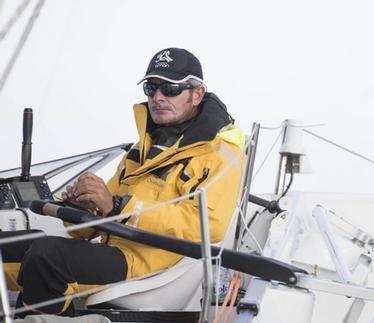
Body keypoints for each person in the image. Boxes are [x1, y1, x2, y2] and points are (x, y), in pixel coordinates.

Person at [1, 47, 245, 315]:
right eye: (151, 88)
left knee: (48, 257)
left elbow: (206, 227)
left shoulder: (221, 153)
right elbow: (95, 223)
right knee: (7, 246)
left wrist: (118, 206)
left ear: (197, 93)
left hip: (151, 262)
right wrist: (82, 207)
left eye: (170, 89)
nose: (159, 97)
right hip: (114, 245)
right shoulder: (146, 145)